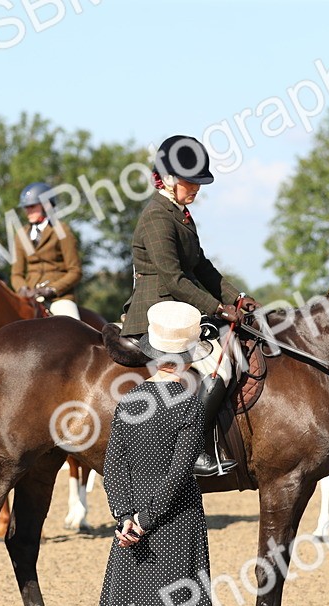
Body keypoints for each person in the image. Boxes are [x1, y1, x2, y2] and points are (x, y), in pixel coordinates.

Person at [86, 301, 220, 606]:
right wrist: (146, 518)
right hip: (173, 521)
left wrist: (124, 516)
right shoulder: (189, 404)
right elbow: (180, 472)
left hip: (128, 527)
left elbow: (113, 466)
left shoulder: (130, 399)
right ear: (185, 357)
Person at [121, 135, 258, 476]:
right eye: (190, 181)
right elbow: (173, 278)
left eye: (199, 182)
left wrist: (236, 297)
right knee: (219, 366)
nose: (196, 188)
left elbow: (202, 267)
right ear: (168, 179)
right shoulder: (157, 217)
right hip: (157, 312)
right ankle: (193, 449)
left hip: (178, 306)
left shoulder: (179, 214)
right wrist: (217, 307)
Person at [10, 181, 83, 320]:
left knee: (70, 327)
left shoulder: (62, 231)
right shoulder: (21, 235)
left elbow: (75, 271)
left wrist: (53, 289)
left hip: (58, 298)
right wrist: (23, 289)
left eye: (32, 207)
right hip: (30, 297)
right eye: (26, 208)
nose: (28, 211)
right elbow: (16, 274)